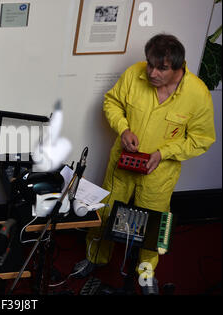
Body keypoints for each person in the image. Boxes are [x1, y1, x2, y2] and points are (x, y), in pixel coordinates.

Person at [72, 34, 216, 294]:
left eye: (161, 68)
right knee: (105, 212)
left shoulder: (198, 93)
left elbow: (202, 139)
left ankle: (146, 273)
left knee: (153, 225)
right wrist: (123, 129)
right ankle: (95, 258)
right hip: (122, 164)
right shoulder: (133, 74)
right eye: (150, 64)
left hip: (159, 172)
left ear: (179, 68)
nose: (151, 72)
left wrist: (165, 152)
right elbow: (111, 102)